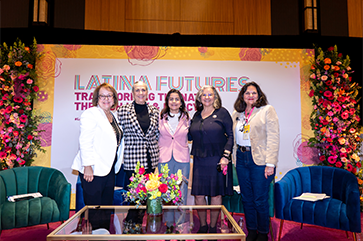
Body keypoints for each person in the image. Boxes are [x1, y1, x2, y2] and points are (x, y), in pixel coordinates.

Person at [72, 83, 124, 231]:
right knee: (94, 210)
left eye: (109, 96)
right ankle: (94, 235)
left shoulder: (112, 116)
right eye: (102, 96)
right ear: (97, 98)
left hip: (109, 169)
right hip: (93, 170)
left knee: (106, 208)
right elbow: (85, 141)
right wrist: (87, 166)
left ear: (114, 99)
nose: (106, 99)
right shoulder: (91, 113)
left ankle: (103, 234)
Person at [232, 82, 279, 241]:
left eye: (253, 93)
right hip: (240, 158)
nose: (250, 96)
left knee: (260, 199)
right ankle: (251, 230)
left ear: (259, 95)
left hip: (259, 160)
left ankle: (263, 232)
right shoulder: (237, 113)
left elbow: (273, 137)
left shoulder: (267, 110)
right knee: (246, 198)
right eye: (247, 93)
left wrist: (270, 164)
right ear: (242, 96)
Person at [188, 85, 234, 234]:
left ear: (215, 97)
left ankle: (213, 227)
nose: (207, 97)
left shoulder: (223, 113)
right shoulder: (196, 115)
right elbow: (189, 136)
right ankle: (203, 226)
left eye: (210, 94)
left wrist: (226, 156)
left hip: (217, 160)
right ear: (199, 98)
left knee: (215, 195)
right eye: (204, 95)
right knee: (199, 196)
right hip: (200, 161)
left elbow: (231, 136)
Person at [117, 81, 160, 224]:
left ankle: (138, 224)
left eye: (143, 90)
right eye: (137, 90)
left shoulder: (154, 110)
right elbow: (118, 133)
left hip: (150, 159)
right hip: (132, 159)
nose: (141, 93)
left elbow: (157, 134)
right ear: (133, 92)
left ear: (147, 92)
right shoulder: (123, 110)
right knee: (135, 194)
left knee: (145, 194)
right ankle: (130, 223)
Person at [158, 89, 190, 230]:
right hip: (164, 157)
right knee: (165, 190)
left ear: (181, 101)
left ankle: (180, 224)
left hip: (182, 159)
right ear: (167, 101)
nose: (174, 102)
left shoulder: (187, 118)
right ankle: (168, 224)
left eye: (177, 99)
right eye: (171, 99)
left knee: (181, 191)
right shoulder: (160, 117)